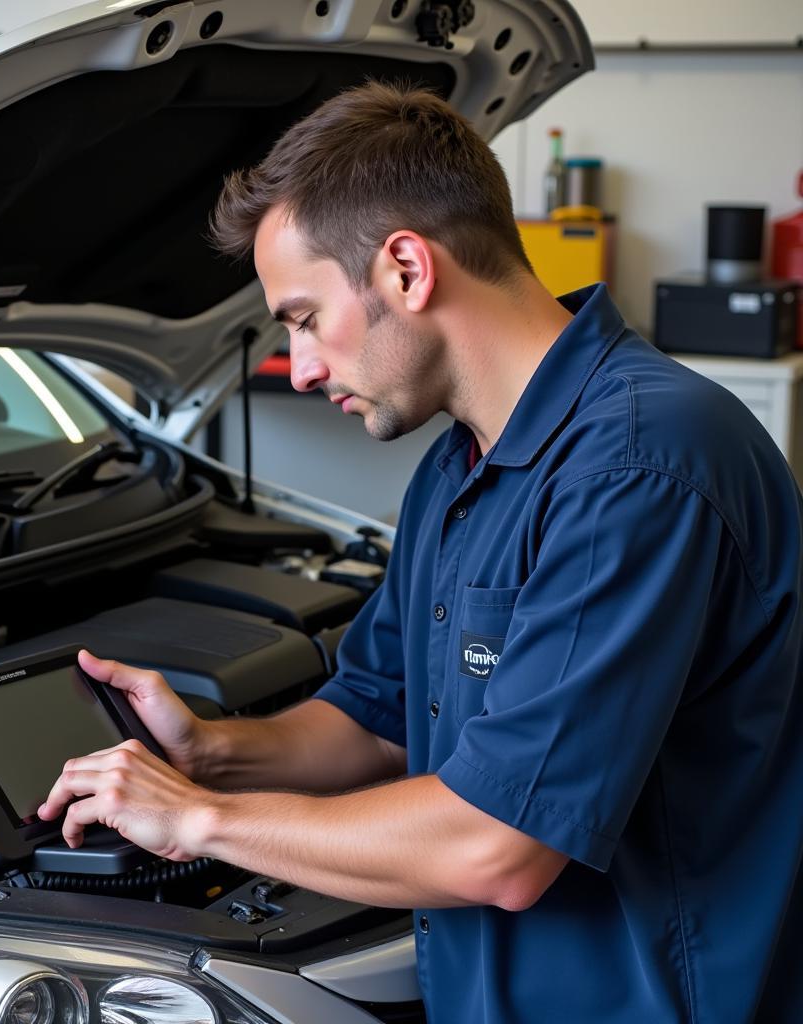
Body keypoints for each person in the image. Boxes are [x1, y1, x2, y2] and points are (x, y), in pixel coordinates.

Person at [39, 83, 803, 1022]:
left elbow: (499, 848)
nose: (305, 365)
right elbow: (377, 718)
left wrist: (199, 820)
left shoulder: (640, 466)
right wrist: (214, 753)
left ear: (406, 268)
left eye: (305, 318)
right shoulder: (461, 463)